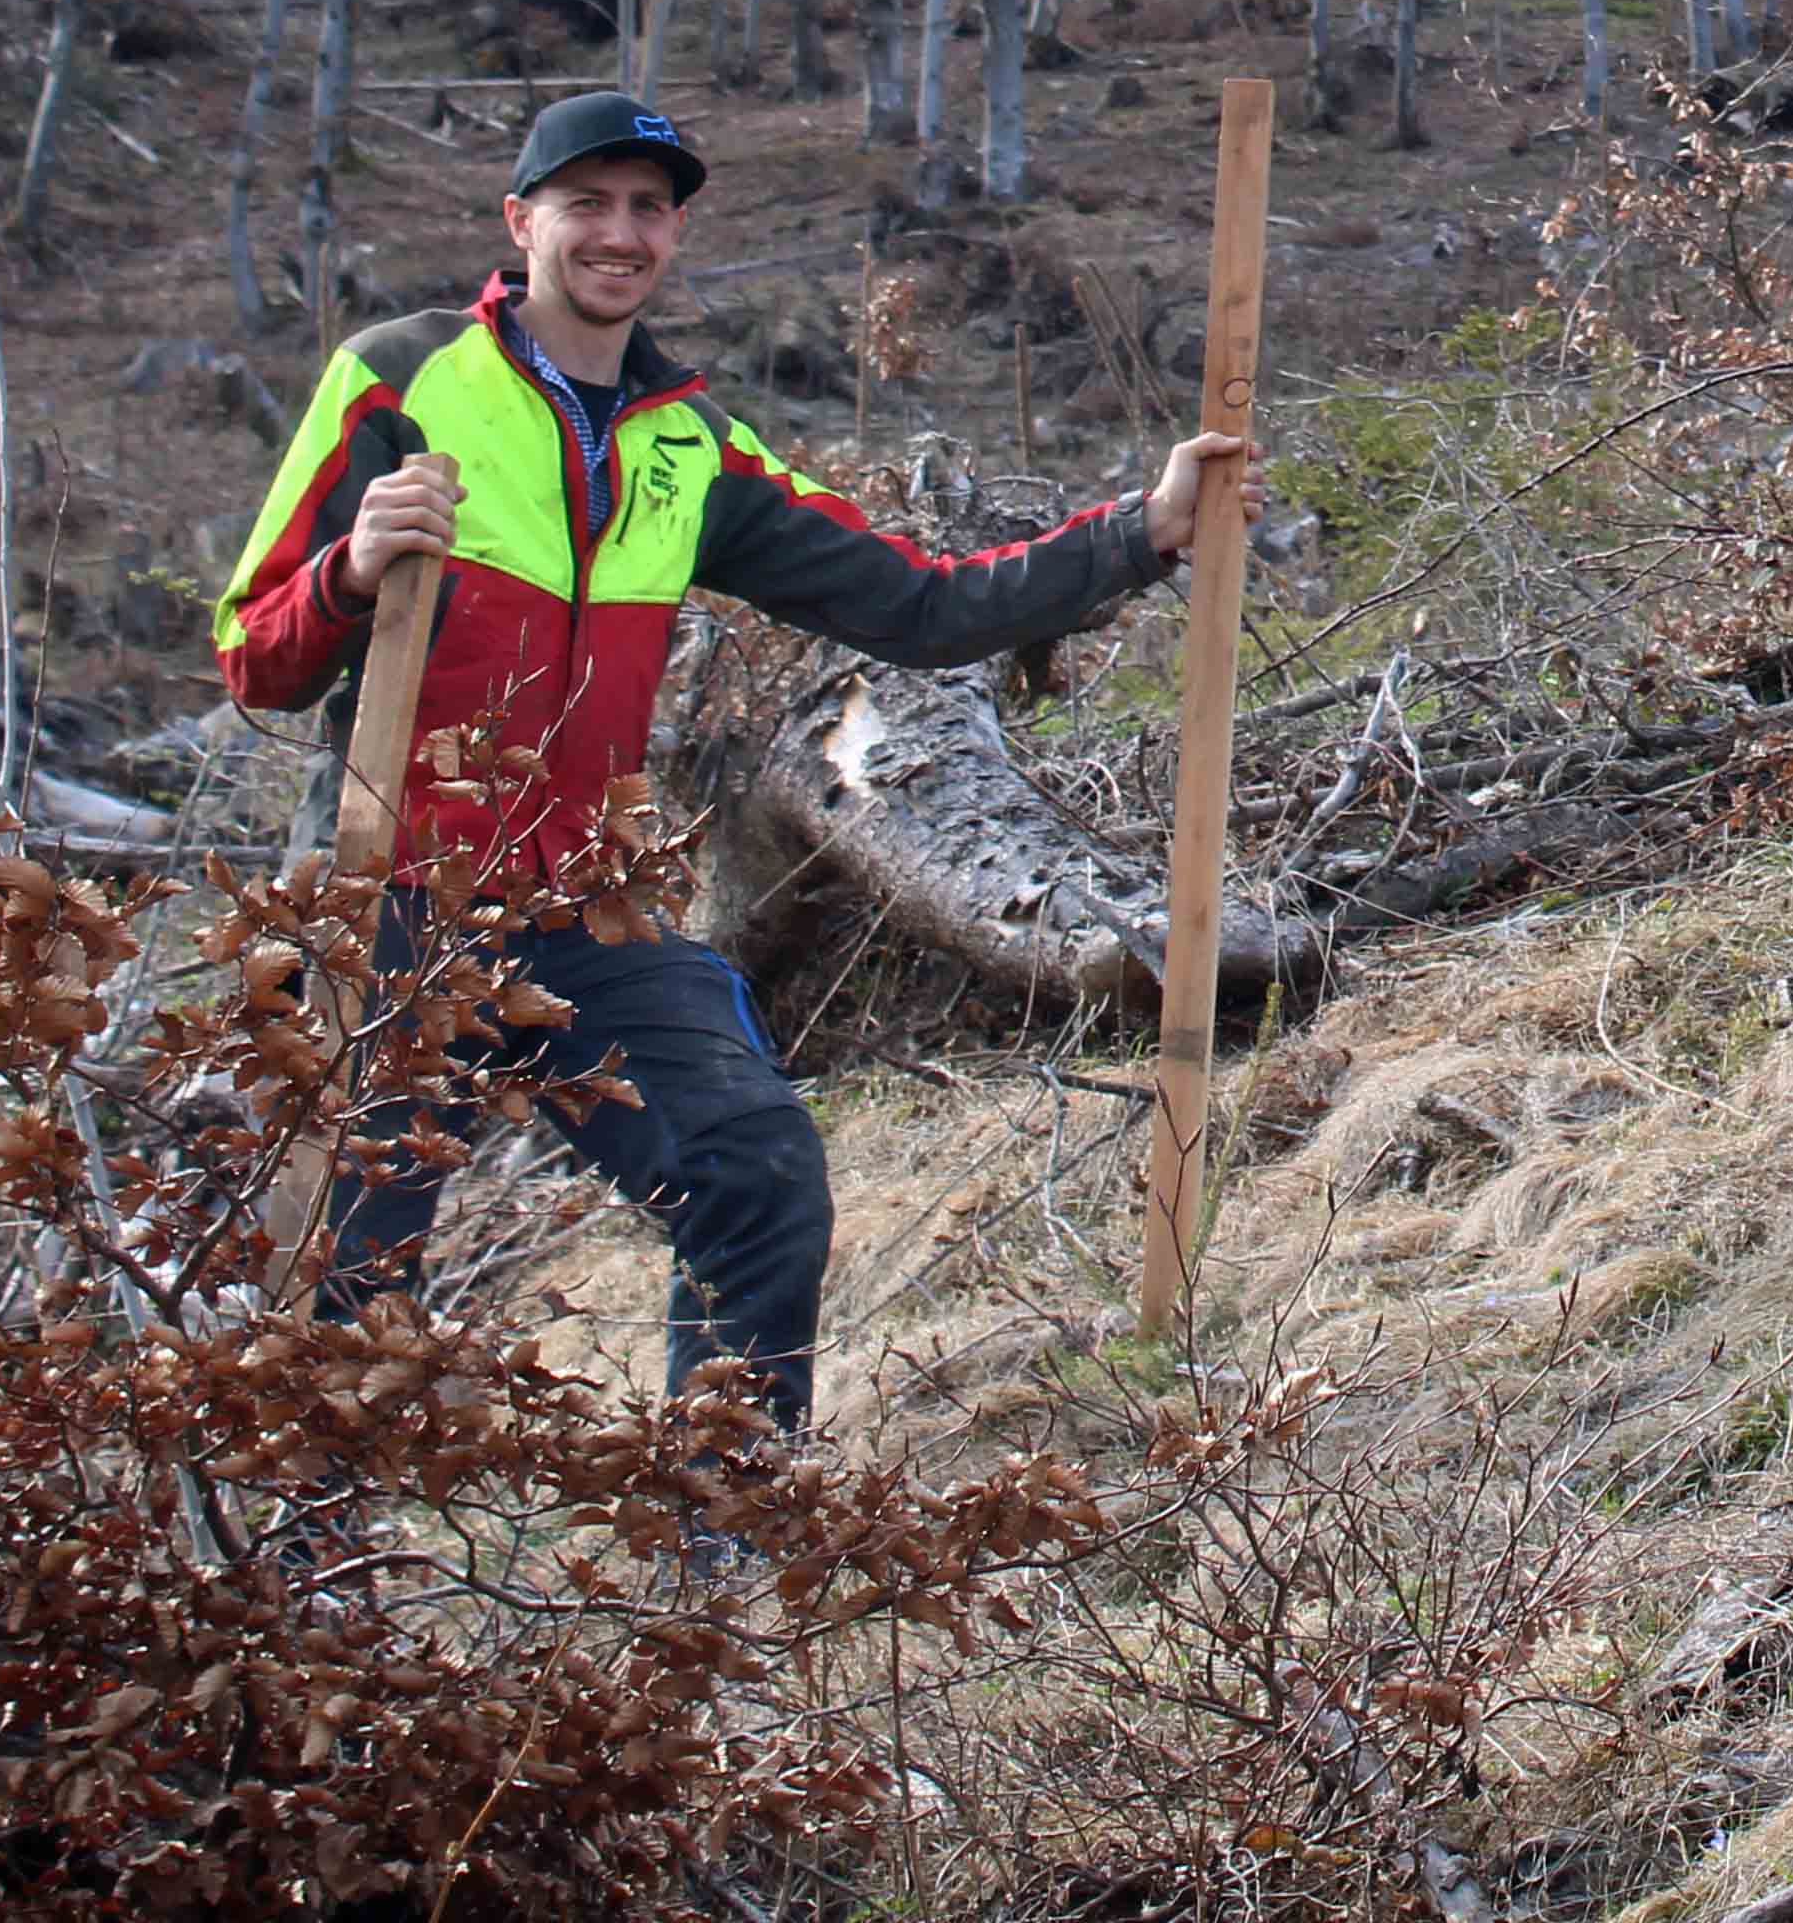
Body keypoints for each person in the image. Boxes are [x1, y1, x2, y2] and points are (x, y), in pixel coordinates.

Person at [214, 87, 1248, 1427]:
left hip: (577, 913)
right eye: (588, 203)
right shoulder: (399, 379)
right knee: (343, 1276)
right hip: (388, 903)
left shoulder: (688, 443)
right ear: (522, 220)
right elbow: (254, 656)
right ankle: (302, 1592)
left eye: (649, 208)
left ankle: (723, 1540)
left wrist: (1141, 533)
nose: (620, 233)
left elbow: (921, 604)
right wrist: (352, 572)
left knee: (754, 1173)